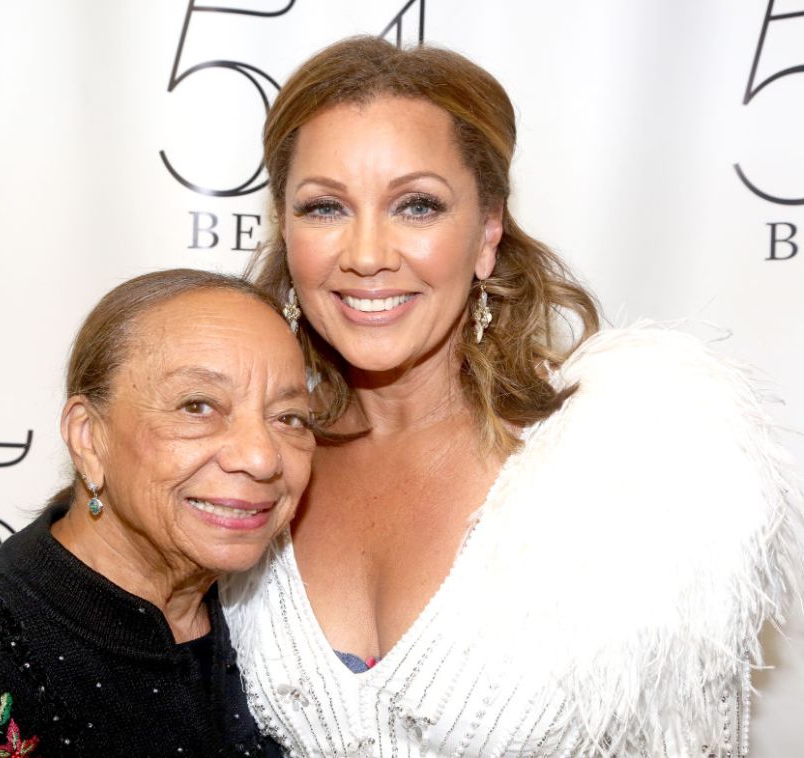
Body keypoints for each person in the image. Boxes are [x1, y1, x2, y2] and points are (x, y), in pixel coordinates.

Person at [220, 36, 802, 757]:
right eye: (325, 208)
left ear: (488, 232)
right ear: (284, 226)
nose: (366, 254)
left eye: (418, 205)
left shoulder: (627, 464)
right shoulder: (239, 467)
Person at [0, 269, 313, 756]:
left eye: (290, 418)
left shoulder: (266, 619)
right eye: (198, 406)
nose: (261, 457)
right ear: (89, 438)